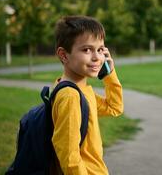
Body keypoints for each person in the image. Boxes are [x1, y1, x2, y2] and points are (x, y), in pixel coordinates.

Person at [51, 15, 124, 174]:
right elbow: (69, 156)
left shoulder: (81, 90)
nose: (97, 57)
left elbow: (114, 108)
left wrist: (109, 74)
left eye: (100, 50)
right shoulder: (70, 96)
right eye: (86, 50)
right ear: (64, 55)